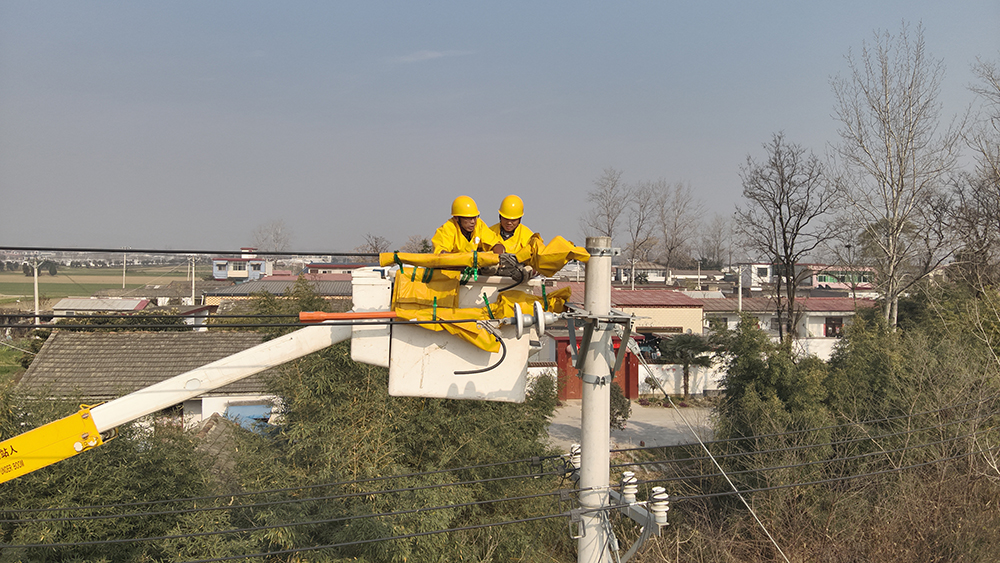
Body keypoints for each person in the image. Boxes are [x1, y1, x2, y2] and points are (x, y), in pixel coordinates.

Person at [432, 196, 505, 254]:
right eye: (468, 218)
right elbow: (441, 254)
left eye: (475, 217)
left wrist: (498, 254)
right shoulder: (447, 229)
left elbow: (497, 245)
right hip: (452, 270)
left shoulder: (478, 224)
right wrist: (467, 260)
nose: (473, 221)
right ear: (456, 218)